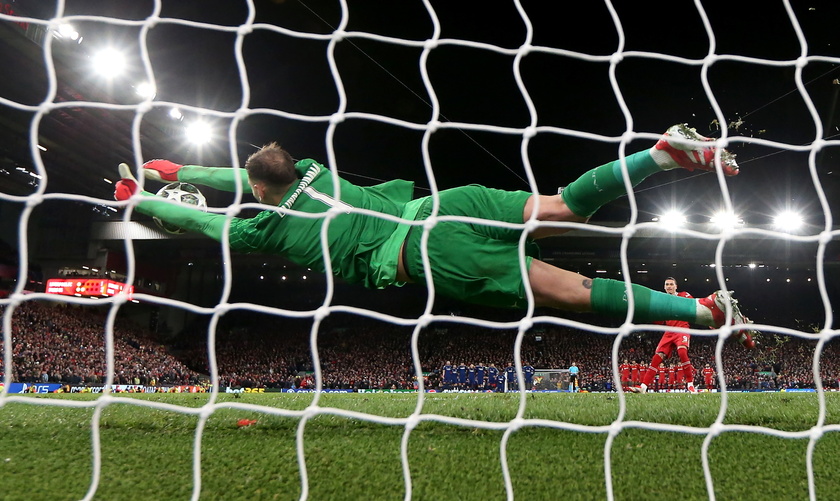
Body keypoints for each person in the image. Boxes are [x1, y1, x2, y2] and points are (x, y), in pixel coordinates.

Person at [114, 124, 758, 337]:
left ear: (257, 191)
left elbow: (200, 214)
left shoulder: (266, 228)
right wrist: (182, 166)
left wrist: (147, 198)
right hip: (446, 204)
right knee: (563, 205)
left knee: (573, 292)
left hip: (429, 254)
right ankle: (660, 154)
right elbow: (243, 170)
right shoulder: (313, 171)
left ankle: (703, 313)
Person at [630, 277, 754, 395]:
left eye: (671, 284)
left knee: (682, 352)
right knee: (657, 357)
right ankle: (643, 387)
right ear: (664, 287)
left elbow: (697, 310)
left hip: (682, 329)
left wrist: (710, 322)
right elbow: (659, 320)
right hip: (668, 331)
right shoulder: (662, 300)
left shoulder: (684, 295)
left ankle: (690, 384)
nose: (669, 286)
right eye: (667, 285)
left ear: (676, 286)